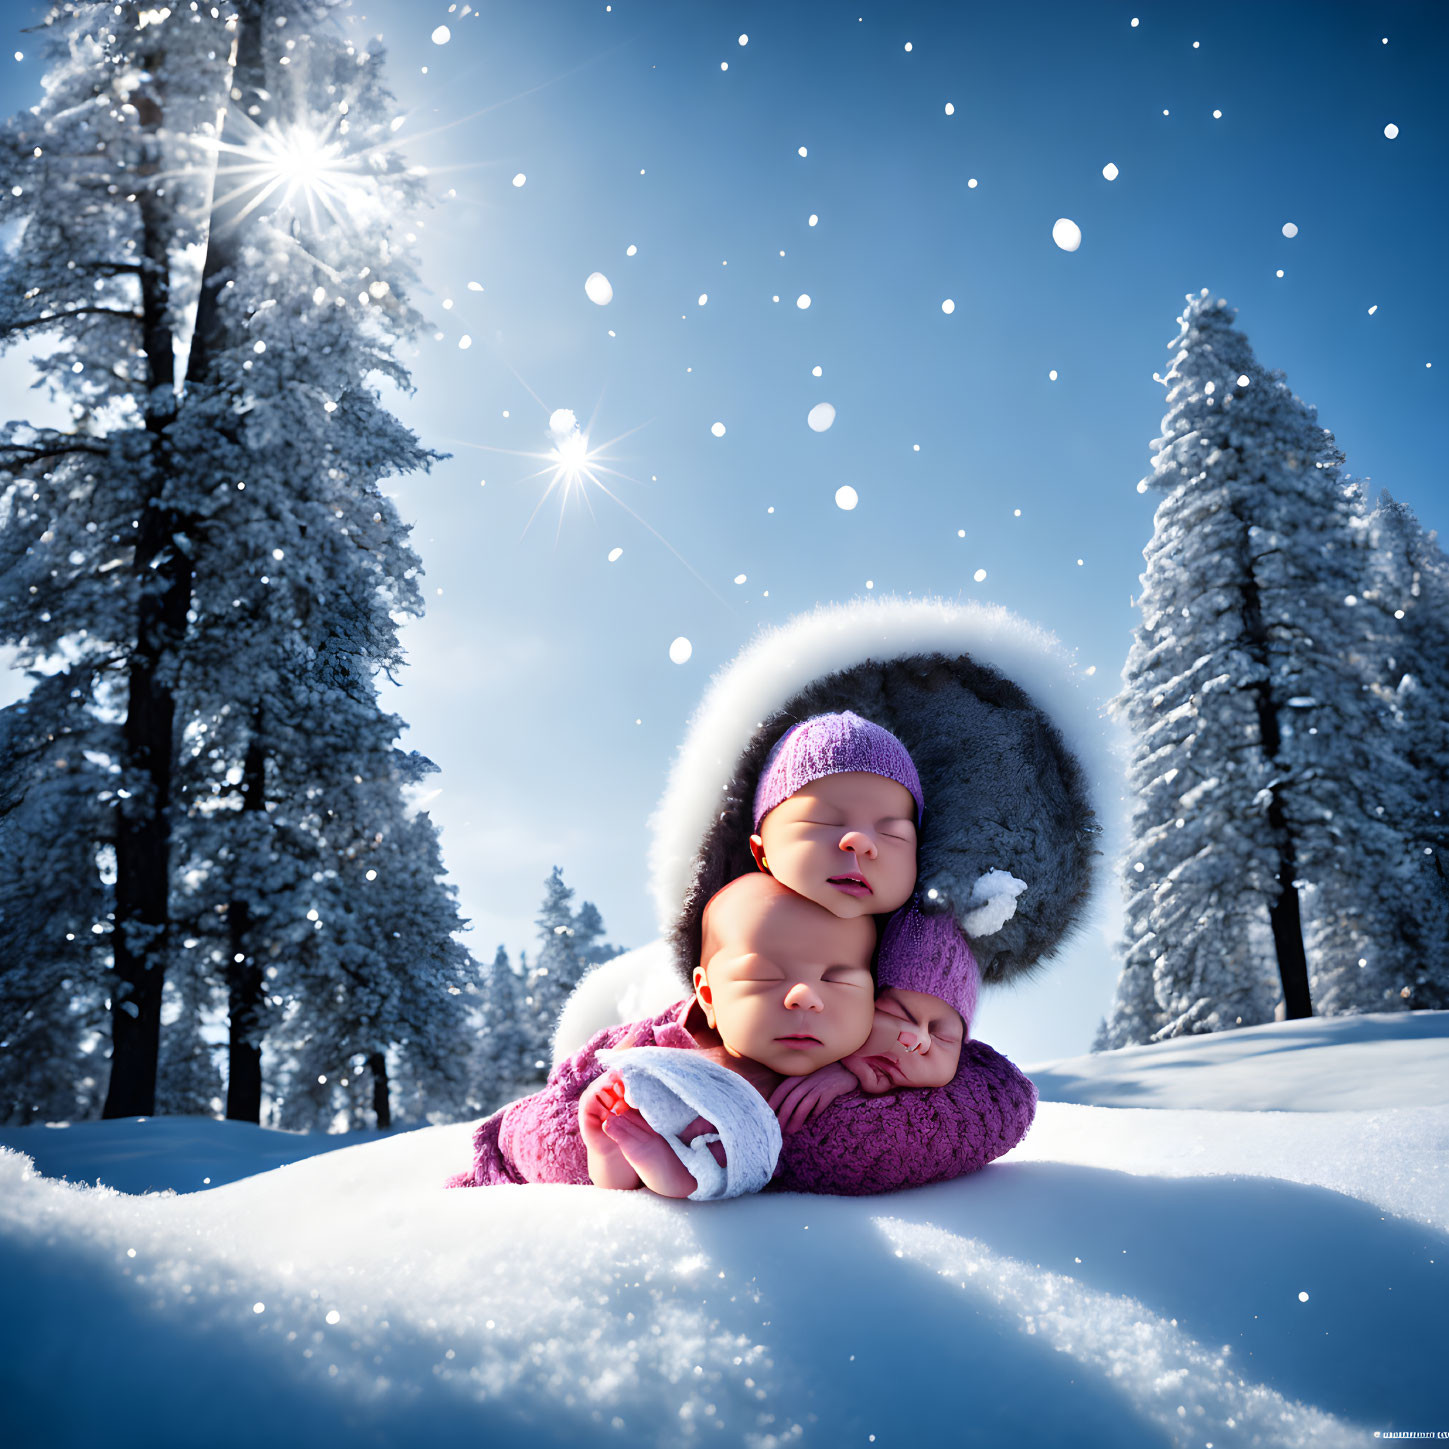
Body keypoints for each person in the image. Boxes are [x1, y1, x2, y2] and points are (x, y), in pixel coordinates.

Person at [578, 871, 876, 1199]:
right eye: (763, 978)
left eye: (838, 981)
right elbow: (616, 1187)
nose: (803, 997)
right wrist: (606, 1142)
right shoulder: (679, 1069)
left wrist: (858, 1070)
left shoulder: (877, 1067)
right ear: (708, 996)